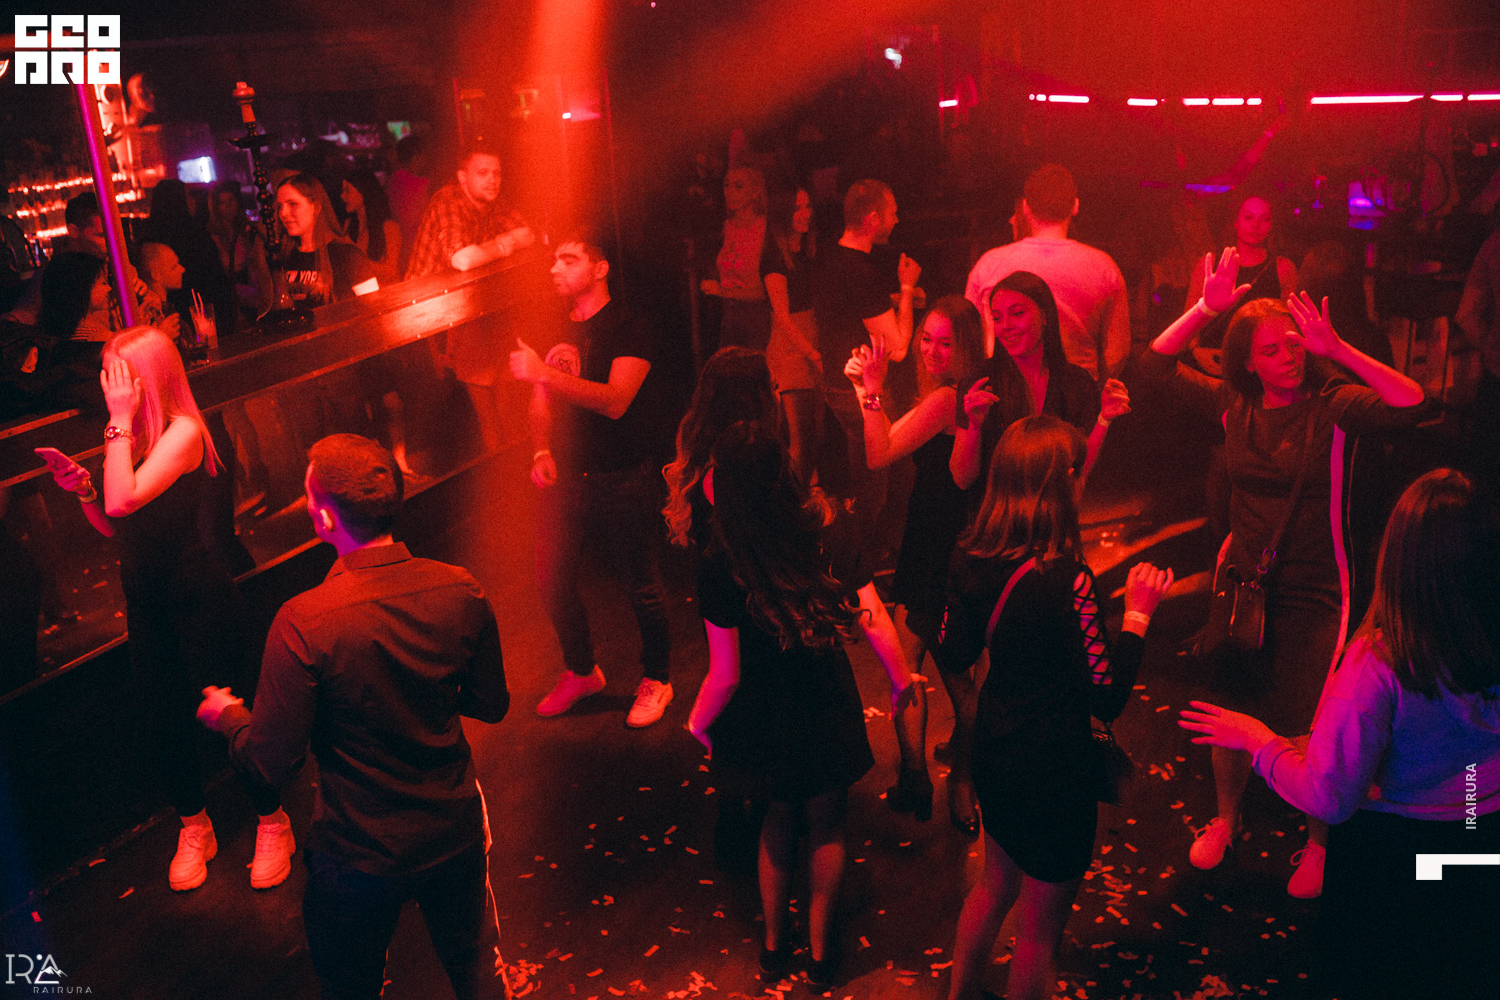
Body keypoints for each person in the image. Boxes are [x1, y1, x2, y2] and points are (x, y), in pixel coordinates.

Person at [1137, 247, 1428, 897]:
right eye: (1272, 349)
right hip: (1244, 583)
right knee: (1230, 710)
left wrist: (1339, 350)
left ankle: (1318, 840)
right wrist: (1205, 309)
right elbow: (1152, 367)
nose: (1289, 356)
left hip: (1319, 589)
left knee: (1309, 720)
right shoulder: (1232, 404)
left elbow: (1414, 405)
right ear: (1246, 361)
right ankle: (1226, 818)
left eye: (1294, 344)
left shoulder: (1335, 403)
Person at [197, 434, 510, 1000]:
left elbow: (269, 766)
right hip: (455, 832)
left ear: (323, 517)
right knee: (476, 975)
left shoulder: (304, 621)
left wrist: (230, 717)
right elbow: (492, 703)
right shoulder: (460, 588)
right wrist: (423, 689)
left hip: (359, 854)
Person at [1179, 468, 1500, 998]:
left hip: (1397, 852)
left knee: (1388, 967)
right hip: (1477, 831)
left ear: (1398, 556)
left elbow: (1329, 797)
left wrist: (1259, 741)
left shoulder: (1380, 663)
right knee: (1458, 956)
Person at [38, 326, 285, 891]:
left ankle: (273, 820)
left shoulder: (184, 432)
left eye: (118, 375)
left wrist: (117, 425)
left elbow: (124, 498)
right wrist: (83, 489)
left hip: (196, 595)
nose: (109, 386)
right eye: (107, 374)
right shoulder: (127, 437)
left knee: (226, 709)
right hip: (146, 602)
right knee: (162, 719)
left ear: (147, 378)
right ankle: (195, 826)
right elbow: (114, 522)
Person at [935, 415, 1172, 1000]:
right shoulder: (1069, 579)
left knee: (994, 884)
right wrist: (1138, 615)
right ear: (1058, 484)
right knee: (1038, 934)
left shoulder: (970, 554)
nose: (1083, 479)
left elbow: (953, 650)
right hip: (1053, 769)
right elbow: (1106, 697)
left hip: (994, 747)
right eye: (1077, 471)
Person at [686, 422, 916, 991]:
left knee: (777, 818)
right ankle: (819, 955)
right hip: (822, 696)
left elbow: (725, 674)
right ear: (784, 471)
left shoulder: (720, 559)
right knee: (827, 823)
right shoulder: (826, 529)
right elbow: (873, 619)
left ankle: (772, 948)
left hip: (762, 709)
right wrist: (900, 681)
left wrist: (698, 723)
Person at [510, 233, 674, 727]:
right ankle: (582, 671)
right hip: (565, 477)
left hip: (622, 474)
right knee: (550, 579)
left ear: (599, 269)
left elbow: (616, 400)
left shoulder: (630, 326)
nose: (555, 269)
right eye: (553, 260)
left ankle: (658, 678)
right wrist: (540, 448)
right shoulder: (552, 326)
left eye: (569, 259)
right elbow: (540, 399)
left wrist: (543, 373)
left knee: (640, 586)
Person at [844, 295, 986, 827]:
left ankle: (919, 780)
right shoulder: (966, 393)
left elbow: (878, 453)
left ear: (967, 347)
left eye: (946, 343)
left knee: (907, 671)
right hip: (956, 545)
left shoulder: (949, 399)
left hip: (934, 549)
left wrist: (871, 392)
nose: (931, 351)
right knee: (957, 675)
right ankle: (959, 782)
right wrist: (868, 391)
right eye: (926, 338)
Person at [812, 178, 921, 530]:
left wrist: (891, 302)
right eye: (893, 213)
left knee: (873, 472)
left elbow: (848, 310)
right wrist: (906, 287)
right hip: (862, 389)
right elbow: (899, 348)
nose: (897, 219)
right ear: (873, 219)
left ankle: (867, 545)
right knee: (877, 480)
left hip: (835, 381)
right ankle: (864, 551)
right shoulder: (862, 272)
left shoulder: (829, 256)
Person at [964, 164, 1131, 383]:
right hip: (1077, 392)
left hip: (1004, 391)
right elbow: (1117, 351)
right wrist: (1094, 388)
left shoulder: (988, 264)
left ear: (1025, 208)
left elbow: (967, 339)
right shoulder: (1104, 267)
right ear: (1075, 206)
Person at [1182, 192, 1297, 376]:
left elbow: (1288, 329)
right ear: (1235, 221)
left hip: (1258, 370)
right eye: (1248, 217)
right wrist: (1197, 351)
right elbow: (1188, 318)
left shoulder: (1283, 268)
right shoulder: (1209, 264)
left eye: (1265, 219)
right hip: (1209, 363)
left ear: (1272, 225)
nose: (1256, 225)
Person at [759, 186, 822, 484]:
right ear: (783, 214)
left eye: (807, 206)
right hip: (790, 350)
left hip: (809, 341)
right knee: (801, 439)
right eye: (797, 208)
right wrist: (812, 353)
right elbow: (782, 317)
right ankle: (794, 499)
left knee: (814, 436)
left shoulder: (806, 253)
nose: (805, 213)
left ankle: (809, 493)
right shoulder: (774, 259)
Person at [405, 141, 534, 280]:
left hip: (463, 286)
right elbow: (463, 260)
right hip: (426, 291)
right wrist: (501, 247)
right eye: (483, 173)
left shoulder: (492, 201)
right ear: (462, 177)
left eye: (496, 173)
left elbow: (528, 234)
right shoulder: (447, 201)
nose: (492, 180)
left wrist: (484, 251)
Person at [274, 173, 380, 307]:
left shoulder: (348, 256)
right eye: (280, 206)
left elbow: (375, 309)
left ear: (317, 207)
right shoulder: (284, 257)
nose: (283, 213)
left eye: (292, 204)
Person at [700, 166, 772, 352]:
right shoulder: (728, 226)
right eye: (726, 185)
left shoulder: (764, 228)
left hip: (756, 320)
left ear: (755, 192)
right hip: (729, 318)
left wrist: (723, 291)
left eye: (739, 186)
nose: (730, 192)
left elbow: (767, 291)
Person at [1454, 226, 1500, 489]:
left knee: (1485, 480)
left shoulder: (1494, 244)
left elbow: (1466, 315)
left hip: (1496, 380)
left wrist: (1490, 347)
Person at [205, 180, 273, 320]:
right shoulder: (214, 238)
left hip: (255, 290)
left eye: (232, 200)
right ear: (216, 207)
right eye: (222, 203)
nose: (228, 206)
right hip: (233, 298)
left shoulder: (247, 231)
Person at [342, 168, 403, 287]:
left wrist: (357, 263)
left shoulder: (389, 228)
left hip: (386, 293)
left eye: (347, 191)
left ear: (363, 191)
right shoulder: (348, 225)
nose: (342, 196)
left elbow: (391, 271)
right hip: (359, 293)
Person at [387, 134, 432, 277]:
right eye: (424, 155)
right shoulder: (419, 183)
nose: (426, 160)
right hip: (417, 246)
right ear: (417, 156)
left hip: (404, 248)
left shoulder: (394, 179)